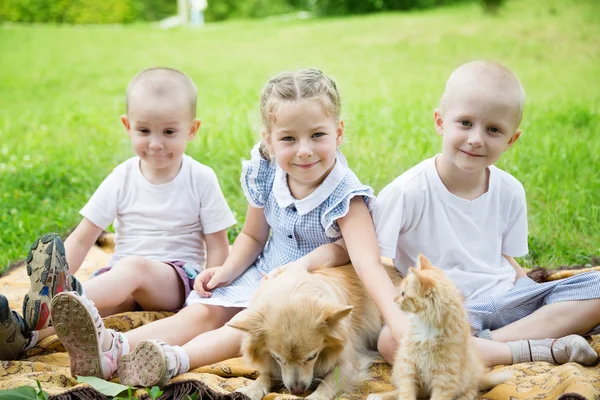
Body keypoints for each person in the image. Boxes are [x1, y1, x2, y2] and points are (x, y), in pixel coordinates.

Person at [50, 68, 399, 387]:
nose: (304, 151)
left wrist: (396, 321)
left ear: (338, 133)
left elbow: (368, 264)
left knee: (246, 325)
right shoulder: (267, 171)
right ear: (269, 139)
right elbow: (252, 235)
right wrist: (226, 270)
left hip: (309, 296)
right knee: (205, 310)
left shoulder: (345, 197)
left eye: (317, 135)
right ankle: (114, 347)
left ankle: (172, 360)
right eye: (289, 139)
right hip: (262, 271)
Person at [0, 67, 237, 363]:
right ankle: (25, 335)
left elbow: (218, 243)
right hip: (120, 278)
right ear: (128, 126)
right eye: (144, 131)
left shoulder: (200, 177)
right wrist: (60, 275)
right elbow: (85, 235)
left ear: (192, 129)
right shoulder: (122, 176)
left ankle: (66, 296)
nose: (155, 143)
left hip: (176, 279)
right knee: (87, 314)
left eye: (169, 132)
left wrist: (209, 291)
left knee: (132, 268)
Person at [374, 60, 600, 368]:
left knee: (596, 288)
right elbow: (380, 263)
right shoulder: (406, 192)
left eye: (493, 129)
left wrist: (533, 294)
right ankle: (532, 350)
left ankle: (484, 346)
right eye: (465, 123)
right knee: (391, 342)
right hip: (451, 310)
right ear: (440, 121)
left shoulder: (509, 190)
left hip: (509, 298)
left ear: (511, 140)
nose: (477, 138)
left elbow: (507, 258)